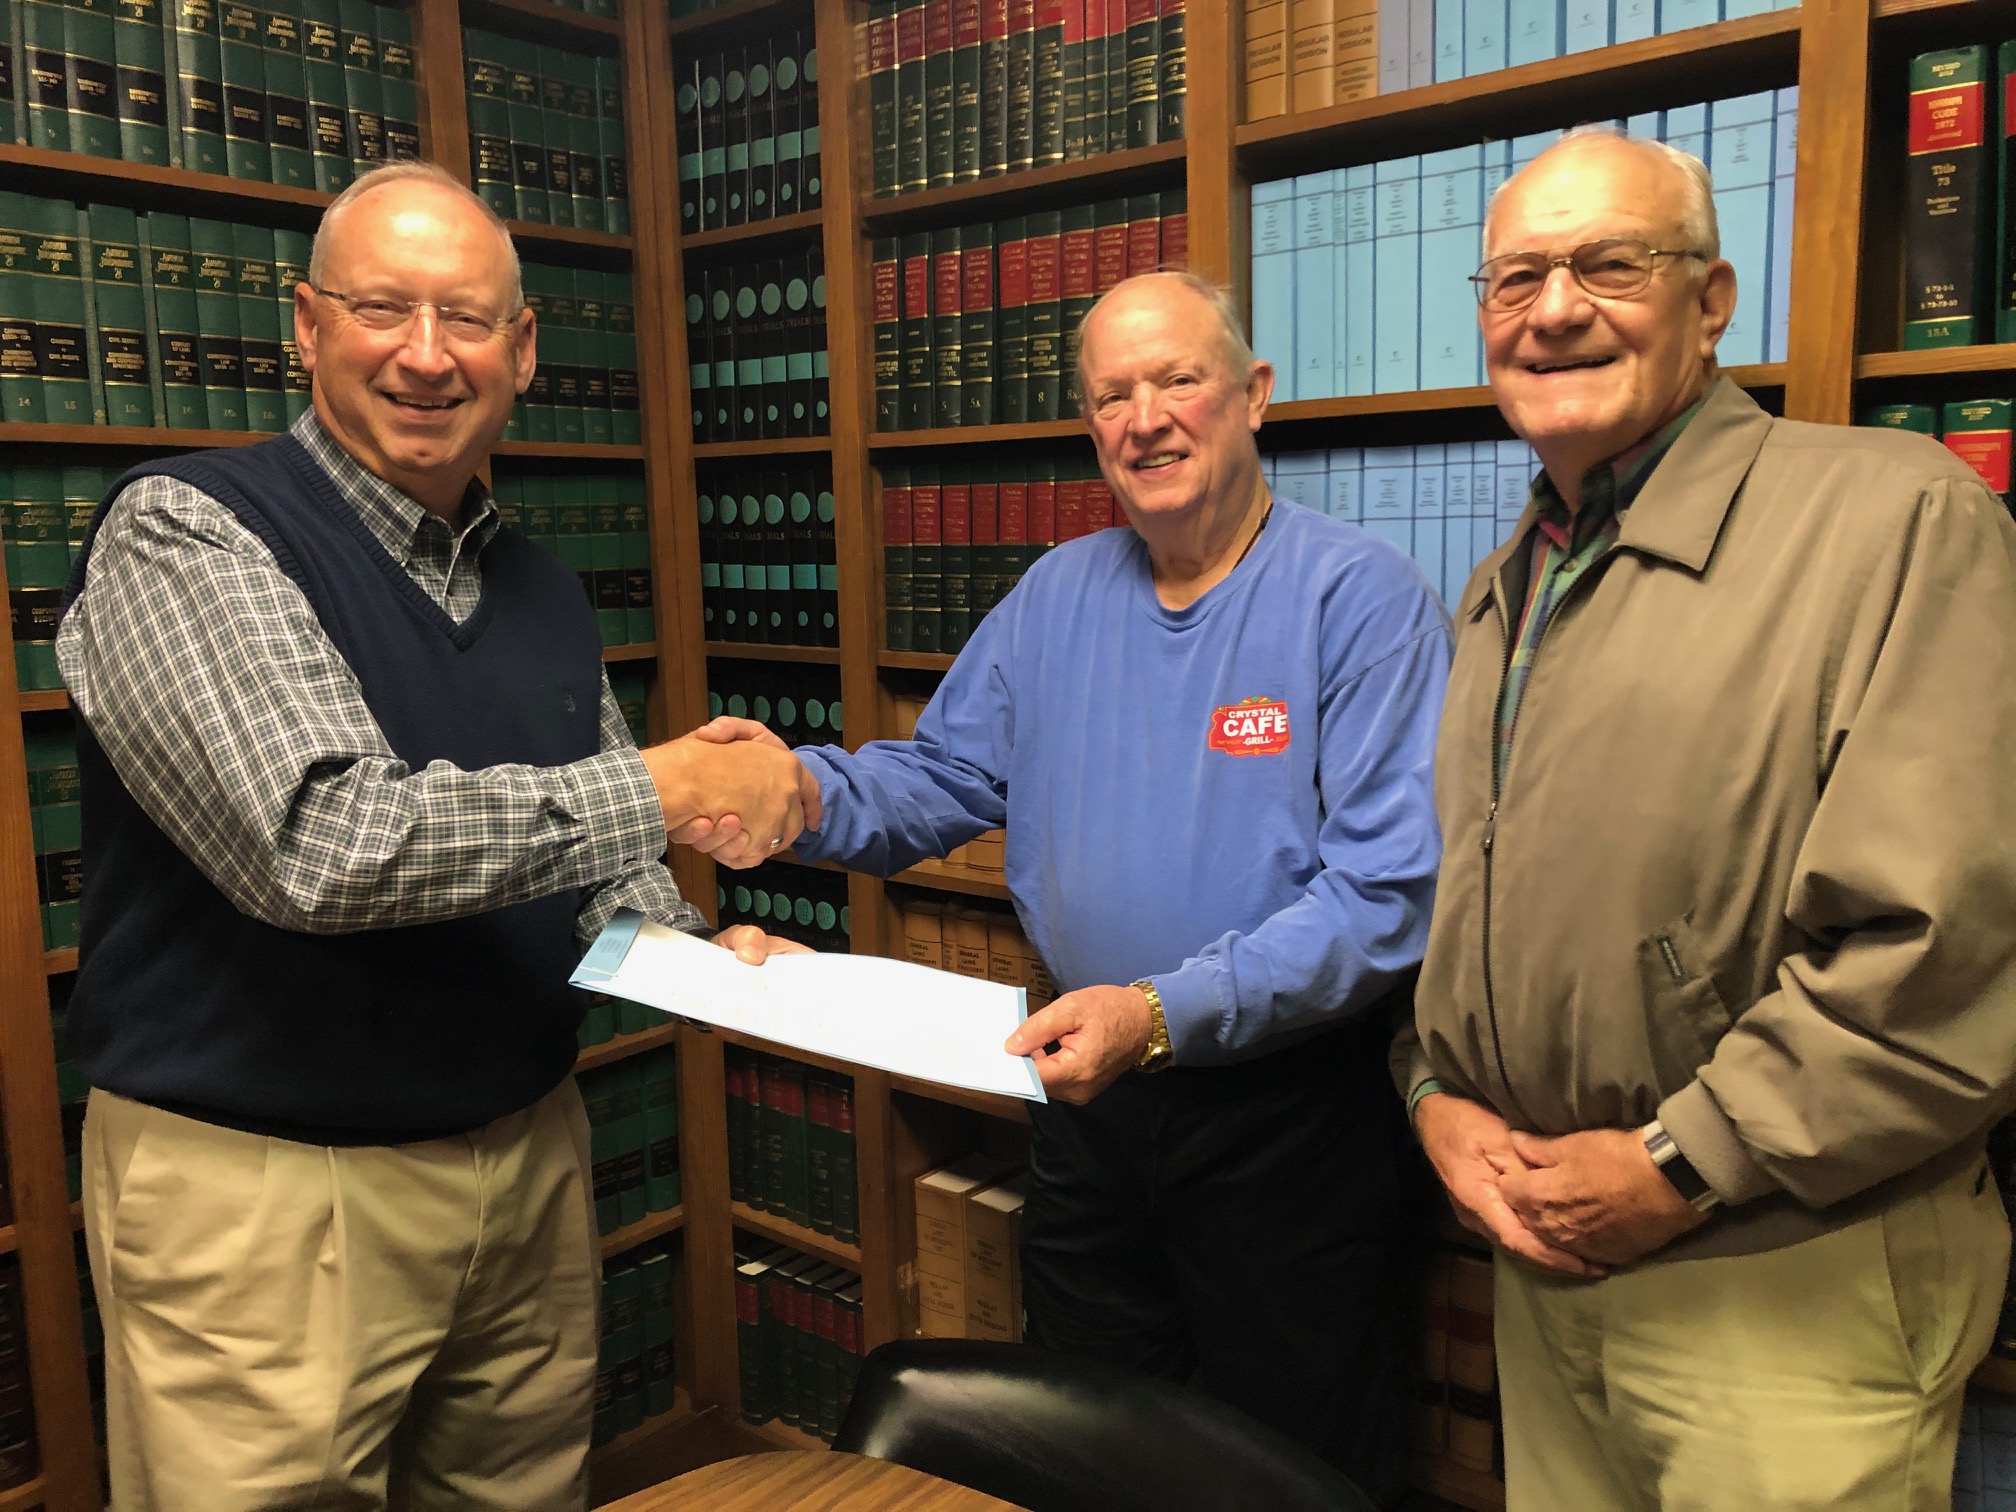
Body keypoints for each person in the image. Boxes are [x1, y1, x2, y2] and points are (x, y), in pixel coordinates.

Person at [56, 161, 811, 1511]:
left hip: (523, 1160)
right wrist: (669, 781)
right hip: (268, 1197)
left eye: (465, 318)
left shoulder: (540, 582)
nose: (424, 355)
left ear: (521, 350)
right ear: (304, 325)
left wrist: (692, 955)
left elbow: (595, 859)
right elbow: (322, 842)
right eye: (380, 309)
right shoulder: (188, 532)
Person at [690, 271, 1451, 1497]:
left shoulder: (1359, 602)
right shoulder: (1056, 595)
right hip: (1087, 1112)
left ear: (1254, 397)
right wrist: (800, 796)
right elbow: (939, 777)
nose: (1143, 417)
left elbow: (1383, 900)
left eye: (1177, 380)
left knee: (1290, 1470)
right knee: (1087, 1446)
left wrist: (1157, 1016)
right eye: (1111, 395)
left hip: (1286, 1122)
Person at [1398, 127, 2016, 1511]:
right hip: (1548, 1274)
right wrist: (1436, 1098)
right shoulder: (1511, 586)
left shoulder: (1895, 519)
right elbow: (1471, 917)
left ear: (1714, 299)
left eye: (1611, 264)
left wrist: (1682, 1164)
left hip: (1784, 1285)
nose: (1555, 311)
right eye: (1515, 281)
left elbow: (1949, 949)